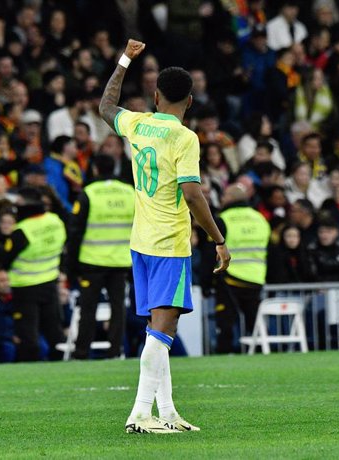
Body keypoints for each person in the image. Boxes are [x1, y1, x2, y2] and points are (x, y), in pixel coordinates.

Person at [99, 39, 230, 434]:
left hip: (141, 242)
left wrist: (124, 60)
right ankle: (140, 413)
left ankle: (168, 412)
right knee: (163, 330)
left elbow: (106, 106)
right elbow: (192, 193)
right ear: (190, 101)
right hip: (170, 245)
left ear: (155, 96)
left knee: (160, 328)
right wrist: (217, 238)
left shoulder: (139, 123)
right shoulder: (184, 138)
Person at [66, 153, 135, 360]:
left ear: (95, 169)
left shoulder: (89, 193)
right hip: (121, 261)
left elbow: (75, 231)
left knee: (88, 310)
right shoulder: (130, 192)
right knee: (118, 309)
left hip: (92, 261)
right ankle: (115, 350)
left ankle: (81, 352)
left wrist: (71, 267)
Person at [0, 188, 67, 362]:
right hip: (50, 281)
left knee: (28, 333)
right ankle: (59, 363)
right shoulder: (55, 220)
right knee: (54, 328)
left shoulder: (22, 230)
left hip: (25, 286)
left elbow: (5, 259)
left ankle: (30, 365)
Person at [213, 184, 270, 354]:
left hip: (230, 276)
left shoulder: (223, 219)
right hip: (256, 278)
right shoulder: (260, 219)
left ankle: (225, 354)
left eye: (223, 196)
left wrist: (207, 281)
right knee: (255, 323)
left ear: (230, 198)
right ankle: (260, 355)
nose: (221, 199)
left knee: (226, 321)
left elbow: (213, 251)